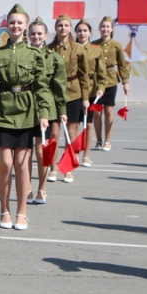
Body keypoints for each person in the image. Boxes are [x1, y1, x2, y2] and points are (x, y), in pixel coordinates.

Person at [0, 5, 51, 232]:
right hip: (3, 110)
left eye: (20, 23)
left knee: (22, 164)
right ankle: (4, 209)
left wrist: (44, 113)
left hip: (27, 110)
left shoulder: (35, 55)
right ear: (6, 26)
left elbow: (41, 85)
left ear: (26, 26)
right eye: (12, 22)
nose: (16, 26)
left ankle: (22, 212)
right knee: (6, 163)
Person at [46, 15, 90, 183]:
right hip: (54, 94)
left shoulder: (78, 49)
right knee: (54, 133)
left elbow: (84, 76)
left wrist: (85, 98)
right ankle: (53, 168)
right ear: (56, 28)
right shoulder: (49, 49)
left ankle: (68, 168)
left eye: (66, 25)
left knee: (71, 133)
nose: (63, 28)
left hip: (73, 93)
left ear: (70, 28)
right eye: (60, 25)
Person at [28, 18, 66, 204]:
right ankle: (26, 188)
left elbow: (59, 86)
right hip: (24, 108)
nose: (36, 37)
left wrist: (62, 110)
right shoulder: (22, 55)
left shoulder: (54, 58)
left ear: (46, 36)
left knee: (41, 151)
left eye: (39, 34)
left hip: (46, 109)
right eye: (33, 33)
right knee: (24, 152)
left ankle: (42, 188)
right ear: (28, 35)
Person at [92, 17, 129, 151]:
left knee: (108, 111)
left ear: (112, 29)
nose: (105, 29)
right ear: (99, 29)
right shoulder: (94, 44)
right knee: (96, 112)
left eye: (108, 27)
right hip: (97, 81)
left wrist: (125, 81)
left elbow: (121, 64)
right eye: (103, 26)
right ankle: (98, 140)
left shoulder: (117, 45)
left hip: (111, 80)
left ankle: (108, 140)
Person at [75, 19, 106, 167]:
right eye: (79, 30)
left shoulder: (96, 50)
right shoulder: (72, 48)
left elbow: (102, 72)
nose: (82, 33)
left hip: (91, 89)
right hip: (74, 90)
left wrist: (101, 87)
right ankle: (73, 154)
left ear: (90, 33)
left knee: (88, 123)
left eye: (85, 31)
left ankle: (86, 155)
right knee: (73, 124)